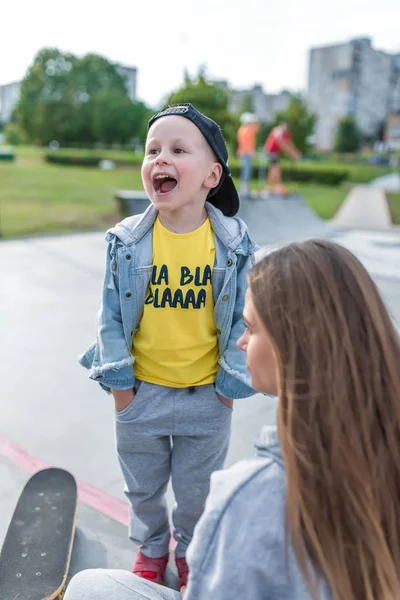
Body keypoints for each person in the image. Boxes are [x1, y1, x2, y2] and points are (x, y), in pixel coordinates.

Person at [66, 239, 400, 599]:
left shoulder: (248, 494)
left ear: (293, 344)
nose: (241, 343)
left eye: (251, 329)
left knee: (89, 587)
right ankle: (156, 549)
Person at [78, 103, 258, 590]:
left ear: (212, 174)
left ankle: (189, 552)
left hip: (206, 397)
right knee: (143, 489)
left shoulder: (234, 245)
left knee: (197, 494)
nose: (161, 158)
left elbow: (245, 315)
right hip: (142, 393)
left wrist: (227, 389)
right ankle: (152, 549)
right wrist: (122, 391)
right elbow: (110, 316)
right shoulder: (128, 242)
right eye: (152, 150)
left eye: (179, 149)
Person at [263, 121, 302, 194]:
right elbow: (282, 144)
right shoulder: (278, 131)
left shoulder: (284, 133)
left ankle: (272, 186)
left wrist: (295, 152)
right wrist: (292, 154)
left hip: (274, 152)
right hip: (271, 151)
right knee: (276, 168)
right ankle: (275, 186)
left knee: (275, 168)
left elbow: (289, 143)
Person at [237, 112, 260, 196]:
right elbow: (245, 142)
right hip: (245, 153)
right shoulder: (245, 129)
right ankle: (244, 189)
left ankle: (245, 188)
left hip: (245, 153)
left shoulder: (247, 128)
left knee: (247, 170)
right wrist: (251, 151)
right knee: (246, 171)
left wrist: (257, 120)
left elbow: (257, 129)